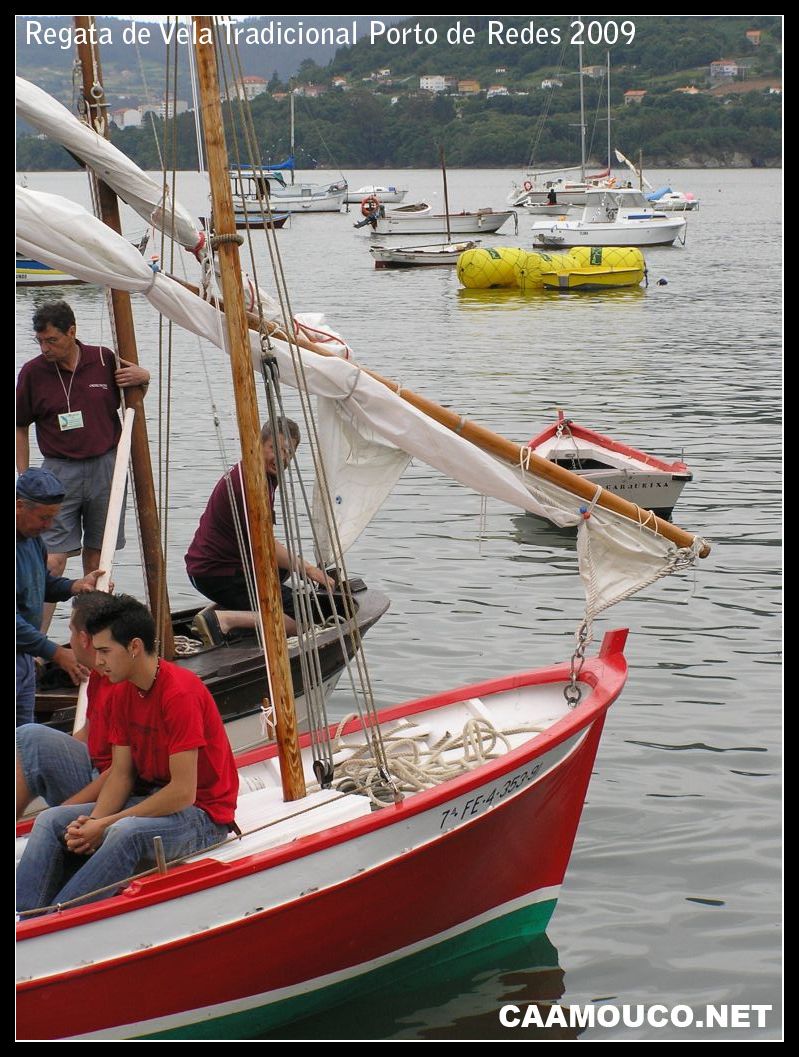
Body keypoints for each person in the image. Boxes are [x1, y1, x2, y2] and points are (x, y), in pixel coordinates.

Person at [15, 594, 239, 915]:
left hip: (203, 815)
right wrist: (92, 823)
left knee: (125, 832)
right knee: (51, 820)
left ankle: (60, 920)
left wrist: (106, 823)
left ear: (134, 647)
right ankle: (25, 916)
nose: (98, 661)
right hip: (151, 800)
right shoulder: (122, 690)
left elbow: (183, 792)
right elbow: (122, 774)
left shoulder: (179, 693)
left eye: (105, 651)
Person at [15, 300, 150, 603]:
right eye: (40, 341)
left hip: (105, 467)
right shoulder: (33, 373)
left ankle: (87, 624)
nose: (45, 348)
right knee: (52, 559)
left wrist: (145, 378)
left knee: (99, 557)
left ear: (72, 332)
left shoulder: (103, 359)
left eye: (52, 340)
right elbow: (19, 425)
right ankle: (35, 631)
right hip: (58, 471)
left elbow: (134, 396)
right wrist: (25, 476)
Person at [185, 417, 334, 644]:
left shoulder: (258, 474)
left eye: (288, 453)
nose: (281, 458)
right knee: (302, 621)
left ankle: (228, 611)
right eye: (275, 448)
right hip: (217, 573)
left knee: (283, 569)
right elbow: (265, 545)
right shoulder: (252, 484)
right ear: (258, 444)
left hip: (209, 568)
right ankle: (223, 620)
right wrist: (310, 570)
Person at [16, 591, 117, 820]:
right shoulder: (98, 676)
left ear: (83, 638)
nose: (68, 641)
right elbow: (86, 734)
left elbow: (122, 773)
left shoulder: (120, 682)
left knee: (28, 736)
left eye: (70, 631)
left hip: (114, 790)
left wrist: (59, 814)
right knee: (29, 743)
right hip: (96, 771)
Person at [16, 468, 105, 726]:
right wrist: (56, 653)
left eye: (52, 518)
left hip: (23, 656)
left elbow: (41, 583)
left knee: (24, 735)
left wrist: (74, 586)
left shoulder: (33, 540)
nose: (48, 526)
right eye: (44, 517)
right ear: (19, 506)